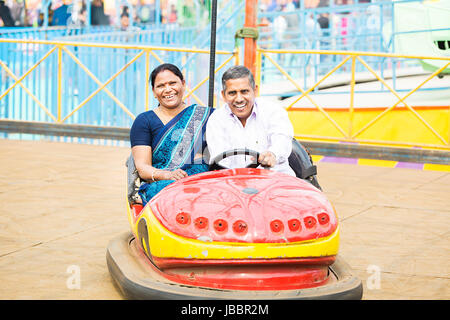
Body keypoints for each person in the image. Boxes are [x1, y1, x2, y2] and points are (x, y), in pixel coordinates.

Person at [130, 63, 214, 205]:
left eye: (172, 83)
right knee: (169, 194)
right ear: (154, 92)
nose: (168, 89)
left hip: (202, 183)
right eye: (161, 86)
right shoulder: (144, 121)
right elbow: (143, 168)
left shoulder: (207, 116)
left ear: (183, 84)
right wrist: (168, 175)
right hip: (164, 184)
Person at [206, 65, 295, 177]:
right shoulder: (216, 119)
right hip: (233, 183)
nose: (239, 99)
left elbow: (282, 140)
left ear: (255, 90)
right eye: (232, 93)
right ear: (223, 95)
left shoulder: (273, 111)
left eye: (244, 92)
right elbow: (220, 161)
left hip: (275, 181)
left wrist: (272, 154)